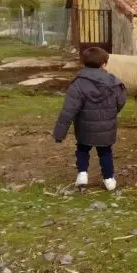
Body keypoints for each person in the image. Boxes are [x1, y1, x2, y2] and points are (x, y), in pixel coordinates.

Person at [53, 47, 127, 191]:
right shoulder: (114, 82)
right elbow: (121, 100)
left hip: (84, 127)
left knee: (82, 149)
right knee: (105, 152)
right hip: (106, 127)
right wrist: (111, 112)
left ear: (84, 63)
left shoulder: (78, 83)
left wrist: (59, 133)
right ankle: (109, 179)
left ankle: (82, 174)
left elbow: (69, 109)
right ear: (104, 64)